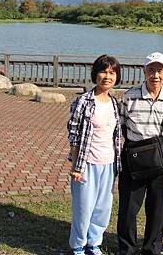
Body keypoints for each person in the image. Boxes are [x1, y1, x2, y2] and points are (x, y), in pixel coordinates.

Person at [117, 52, 163, 255]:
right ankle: (127, 248)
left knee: (157, 207)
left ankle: (152, 248)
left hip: (160, 156)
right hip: (134, 154)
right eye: (151, 70)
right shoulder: (129, 96)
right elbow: (121, 126)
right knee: (128, 207)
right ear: (144, 71)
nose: (155, 75)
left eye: (160, 70)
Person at [67, 54, 123, 255]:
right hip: (86, 163)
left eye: (112, 72)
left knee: (102, 208)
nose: (107, 76)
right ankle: (78, 246)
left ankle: (94, 243)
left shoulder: (115, 104)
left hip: (109, 163)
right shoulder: (83, 102)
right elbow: (73, 134)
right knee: (83, 208)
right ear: (95, 74)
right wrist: (75, 166)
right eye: (103, 71)